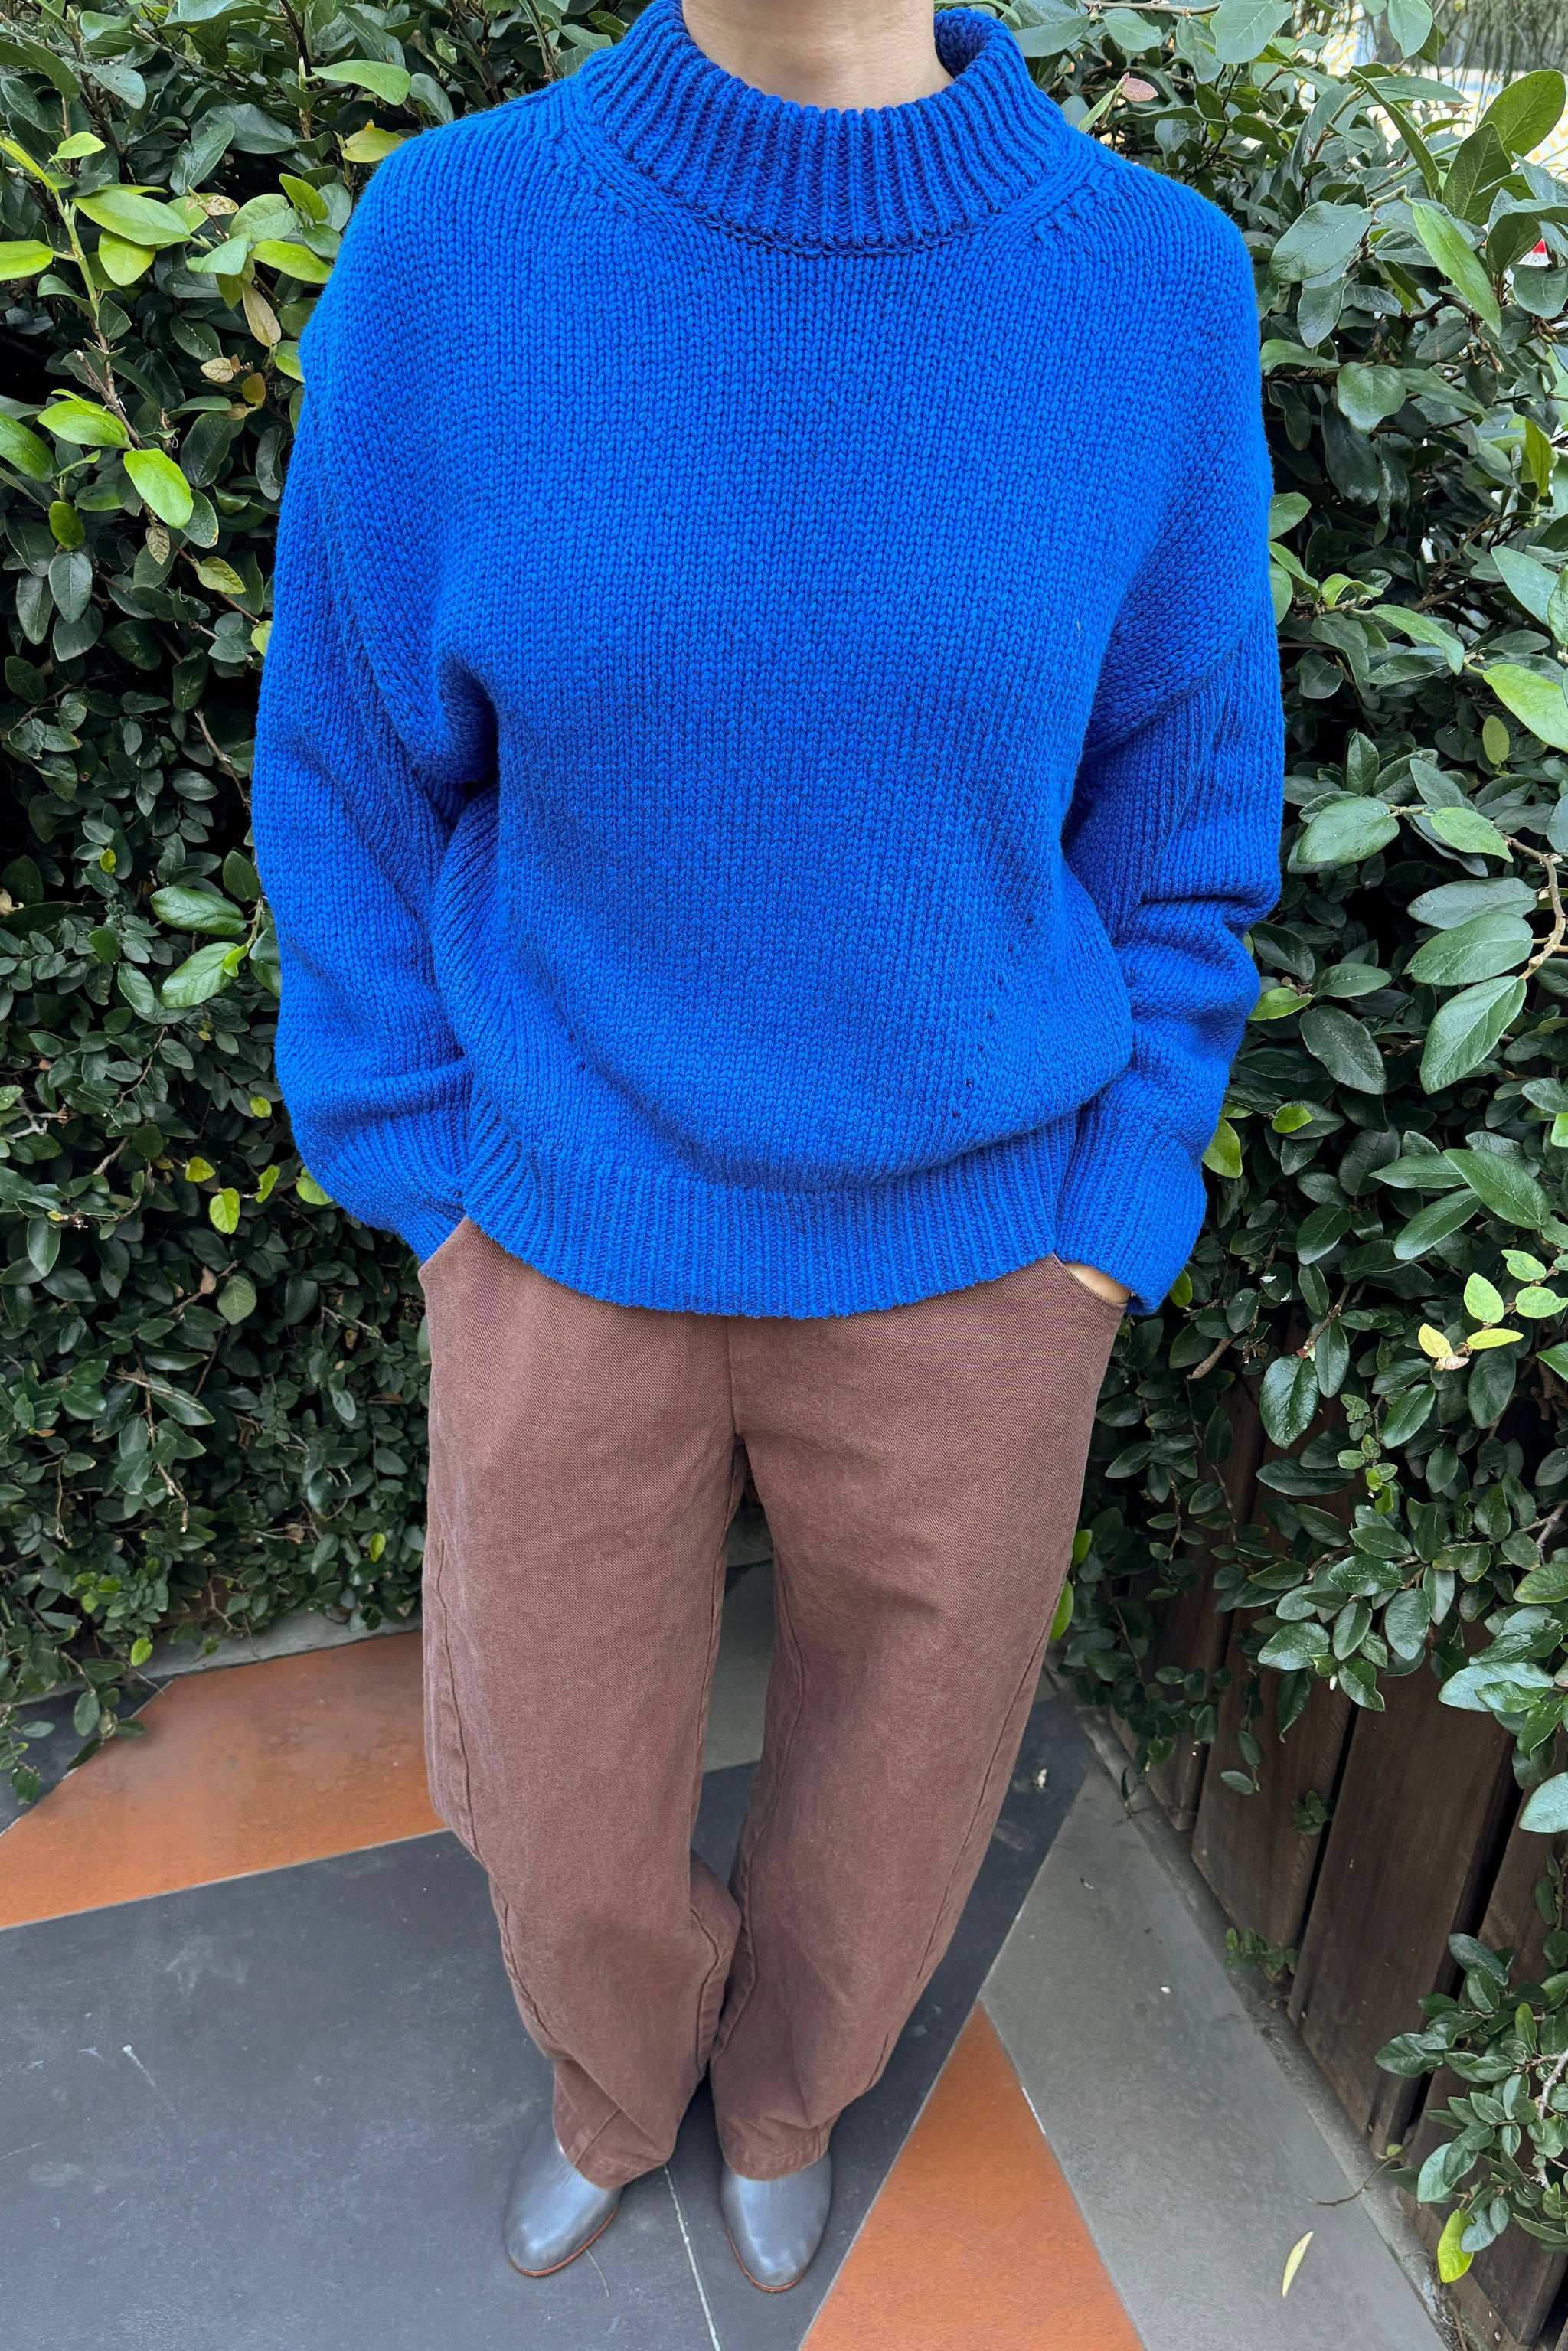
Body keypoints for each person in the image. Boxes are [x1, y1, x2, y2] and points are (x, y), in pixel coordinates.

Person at [253, 0, 1283, 2294]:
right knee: (556, 1794)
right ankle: (618, 2082)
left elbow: (1187, 806)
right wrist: (425, 1177)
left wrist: (1110, 1221)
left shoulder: (1151, 285)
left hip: (981, 1258)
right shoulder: (459, 245)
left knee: (910, 1775)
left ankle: (794, 2087)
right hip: (561, 1230)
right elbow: (341, 757)